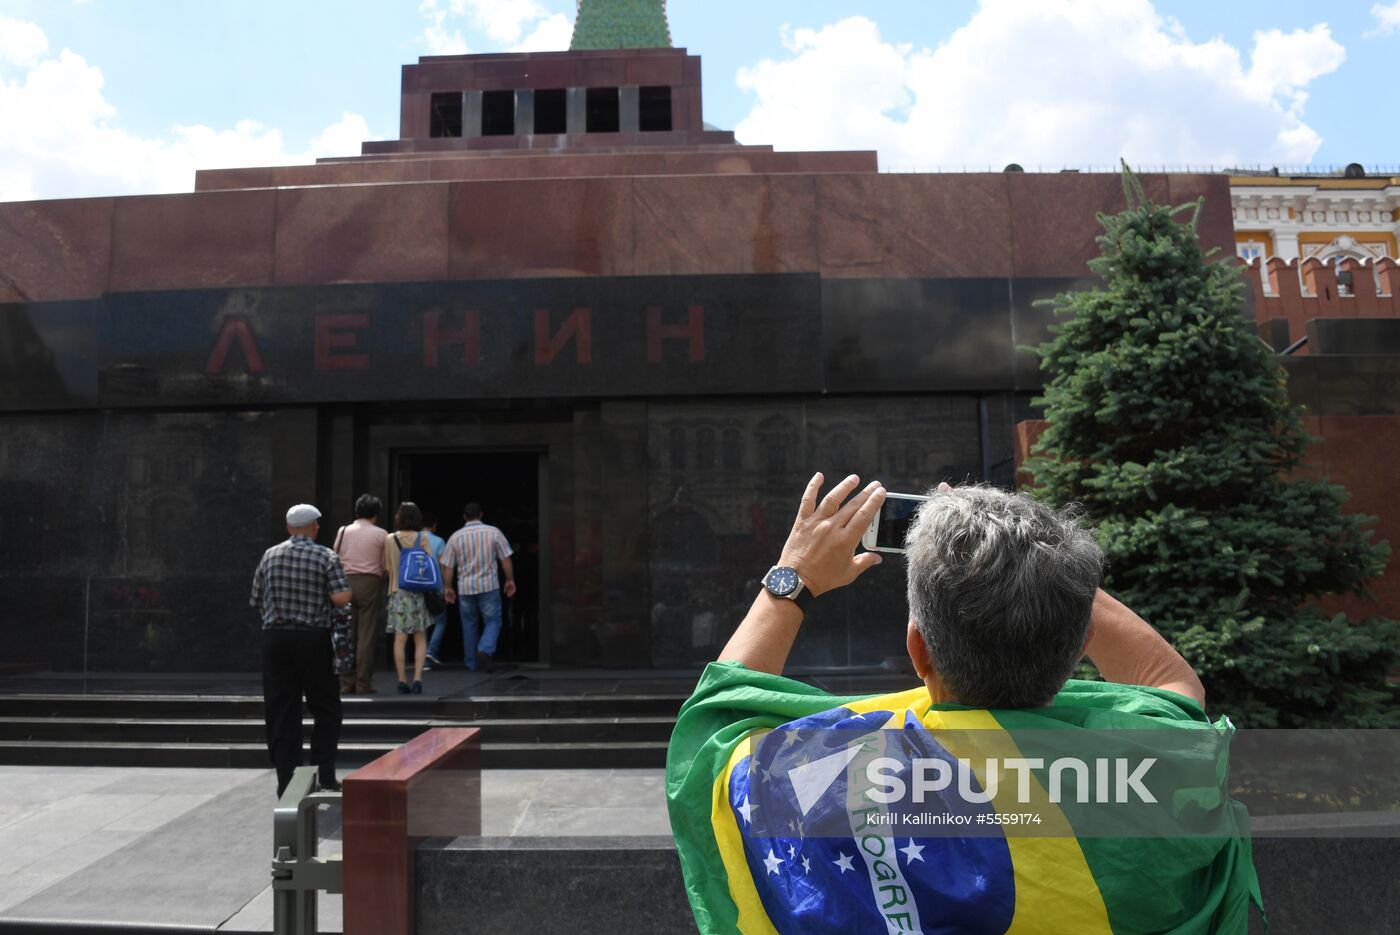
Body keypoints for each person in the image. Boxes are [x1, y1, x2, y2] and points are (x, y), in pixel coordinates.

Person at [666, 474, 1262, 934]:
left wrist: (792, 577)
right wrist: (1035, 564)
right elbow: (1171, 680)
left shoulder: (809, 782)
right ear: (1080, 643)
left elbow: (718, 715)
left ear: (917, 649)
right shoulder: (1154, 771)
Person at [250, 503, 351, 797]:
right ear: (315, 527)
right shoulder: (325, 556)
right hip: (313, 638)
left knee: (281, 710)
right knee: (326, 707)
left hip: (275, 639)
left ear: (288, 527)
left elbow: (258, 599)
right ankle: (325, 774)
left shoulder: (270, 555)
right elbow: (341, 597)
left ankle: (287, 782)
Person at [440, 502, 516, 672]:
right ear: (481, 515)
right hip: (489, 586)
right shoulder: (493, 532)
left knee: (469, 625)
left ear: (464, 517)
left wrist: (448, 587)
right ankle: (485, 649)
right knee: (493, 621)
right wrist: (510, 580)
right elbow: (505, 558)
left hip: (465, 587)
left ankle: (472, 664)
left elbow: (448, 566)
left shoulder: (455, 537)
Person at [334, 493, 388, 694]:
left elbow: (335, 556)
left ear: (357, 511)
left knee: (346, 633)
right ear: (376, 513)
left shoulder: (343, 530)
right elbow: (384, 565)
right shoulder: (381, 534)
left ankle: (346, 681)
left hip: (345, 582)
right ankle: (363, 682)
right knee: (366, 635)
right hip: (370, 582)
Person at [384, 501, 433, 694]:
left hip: (397, 592)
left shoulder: (390, 539)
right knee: (420, 638)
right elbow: (430, 563)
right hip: (418, 593)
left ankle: (402, 679)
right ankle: (418, 678)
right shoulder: (422, 538)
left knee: (400, 639)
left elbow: (387, 567)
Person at [420, 511, 449, 670]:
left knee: (422, 624)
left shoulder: (413, 539)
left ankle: (423, 660)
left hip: (417, 587)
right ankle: (431, 651)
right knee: (440, 621)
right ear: (434, 526)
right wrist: (447, 587)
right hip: (435, 587)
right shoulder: (438, 541)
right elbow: (444, 566)